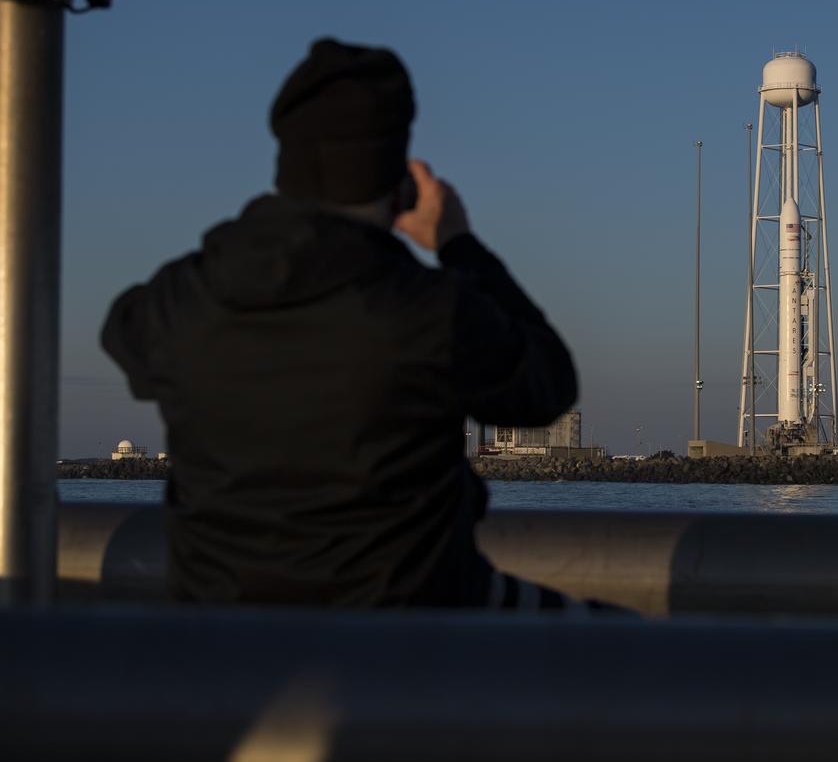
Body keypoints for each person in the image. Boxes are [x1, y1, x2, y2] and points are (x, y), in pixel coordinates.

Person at [101, 38, 584, 610]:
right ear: (398, 178)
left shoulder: (184, 299)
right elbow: (547, 384)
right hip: (413, 629)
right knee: (634, 656)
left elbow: (123, 331)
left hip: (222, 636)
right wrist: (458, 243)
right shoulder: (431, 311)